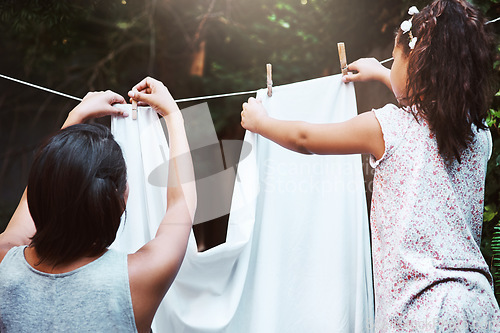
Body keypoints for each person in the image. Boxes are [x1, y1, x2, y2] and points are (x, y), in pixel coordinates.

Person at [241, 0, 500, 331]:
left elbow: (305, 138)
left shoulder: (387, 127)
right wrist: (381, 72)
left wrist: (261, 122)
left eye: (395, 60)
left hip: (420, 310)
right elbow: (429, 102)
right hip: (478, 304)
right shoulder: (479, 135)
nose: (390, 68)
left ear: (416, 67)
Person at [0, 77, 196, 333]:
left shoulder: (5, 261)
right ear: (120, 198)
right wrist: (172, 115)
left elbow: (41, 188)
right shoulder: (136, 280)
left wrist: (76, 114)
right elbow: (182, 204)